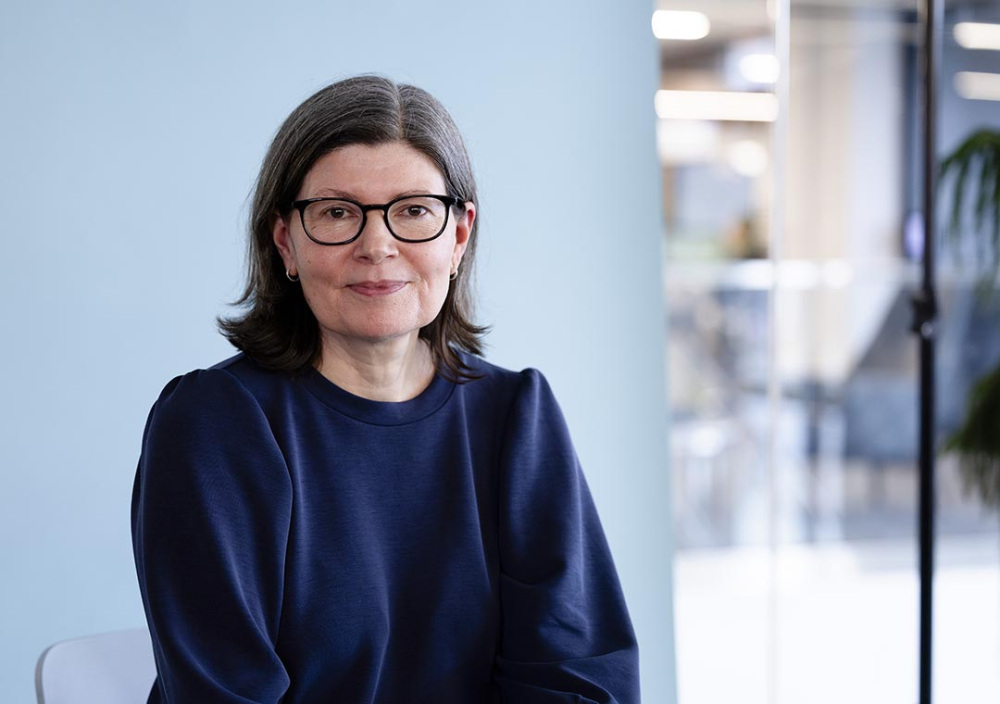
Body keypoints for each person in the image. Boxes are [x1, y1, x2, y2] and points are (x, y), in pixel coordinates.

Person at [131, 74, 640, 704]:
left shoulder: (516, 418)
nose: (377, 246)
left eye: (414, 211)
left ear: (459, 237)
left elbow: (579, 679)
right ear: (286, 240)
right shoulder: (217, 426)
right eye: (338, 212)